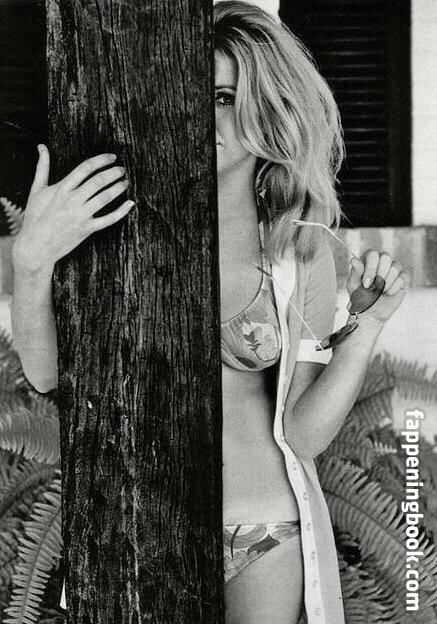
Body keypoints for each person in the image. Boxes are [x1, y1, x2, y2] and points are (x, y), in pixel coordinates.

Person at [11, 1, 410, 622]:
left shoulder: (300, 250)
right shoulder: (117, 229)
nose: (204, 114)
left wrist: (366, 331)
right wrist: (32, 260)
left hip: (264, 530)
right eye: (196, 94)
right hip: (139, 531)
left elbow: (301, 435)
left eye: (224, 97)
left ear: (265, 109)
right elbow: (49, 374)